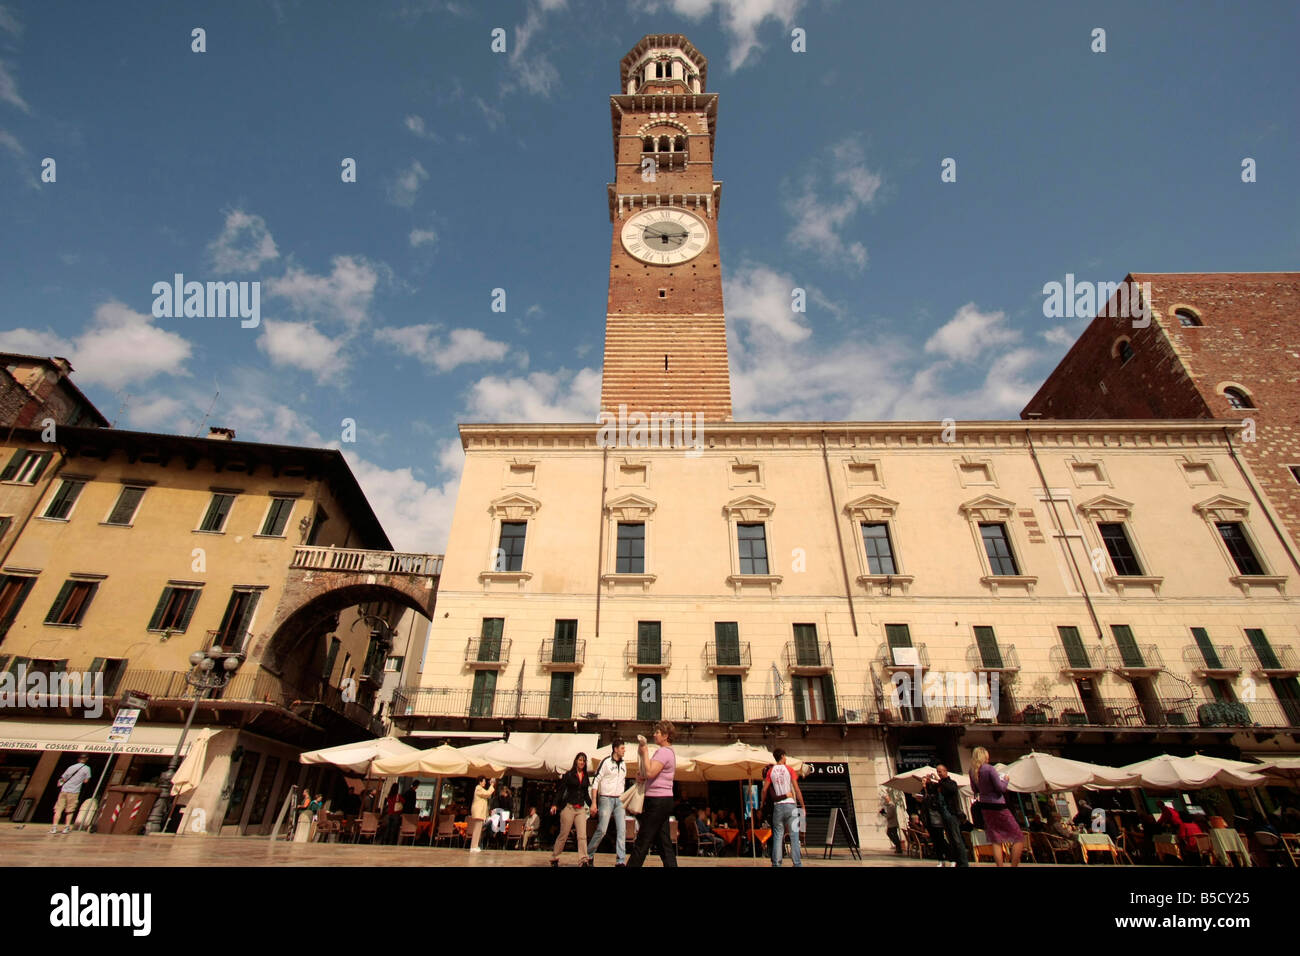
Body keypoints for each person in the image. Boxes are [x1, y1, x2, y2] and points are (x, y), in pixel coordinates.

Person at [627, 720, 678, 868]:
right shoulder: (669, 752)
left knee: (642, 842)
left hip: (657, 801)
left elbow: (650, 772)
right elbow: (651, 773)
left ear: (666, 735)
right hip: (664, 799)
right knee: (664, 843)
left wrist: (645, 752)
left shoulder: (663, 752)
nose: (654, 734)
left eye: (657, 732)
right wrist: (642, 775)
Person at [970, 747, 1024, 866]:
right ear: (985, 756)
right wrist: (1005, 780)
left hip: (985, 806)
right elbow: (1000, 788)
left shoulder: (972, 771)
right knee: (1018, 837)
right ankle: (1013, 865)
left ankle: (999, 866)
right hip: (997, 804)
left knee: (995, 838)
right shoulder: (989, 769)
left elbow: (975, 789)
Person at [761, 748, 805, 867]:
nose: (786, 758)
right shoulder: (790, 769)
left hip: (778, 807)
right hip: (791, 805)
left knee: (778, 836)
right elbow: (796, 789)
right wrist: (802, 805)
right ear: (783, 756)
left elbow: (765, 790)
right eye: (785, 756)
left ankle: (776, 863)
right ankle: (797, 863)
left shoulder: (771, 771)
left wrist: (762, 803)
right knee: (794, 835)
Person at [586, 739, 628, 866]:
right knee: (602, 830)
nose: (624, 750)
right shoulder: (605, 762)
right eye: (622, 748)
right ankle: (588, 854)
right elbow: (596, 782)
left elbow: (622, 782)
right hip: (606, 798)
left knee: (622, 830)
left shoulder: (624, 764)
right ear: (615, 749)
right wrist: (594, 802)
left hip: (620, 800)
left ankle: (620, 860)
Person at [550, 753, 592, 866]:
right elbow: (561, 790)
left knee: (582, 836)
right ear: (576, 761)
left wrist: (593, 805)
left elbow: (586, 794)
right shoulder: (569, 775)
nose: (582, 762)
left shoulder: (585, 776)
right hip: (569, 808)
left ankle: (583, 860)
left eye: (584, 761)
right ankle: (555, 857)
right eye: (580, 760)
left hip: (580, 809)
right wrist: (554, 804)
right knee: (564, 834)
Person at [931, 765, 969, 867]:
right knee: (951, 840)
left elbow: (951, 790)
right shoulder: (939, 786)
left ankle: (964, 863)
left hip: (952, 814)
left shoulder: (951, 783)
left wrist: (939, 781)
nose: (939, 773)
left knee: (957, 839)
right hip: (943, 815)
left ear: (946, 771)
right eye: (937, 771)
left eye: (940, 771)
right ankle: (957, 861)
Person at [52, 755, 92, 834]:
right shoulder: (87, 768)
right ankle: (66, 828)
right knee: (70, 811)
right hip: (74, 791)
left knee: (58, 810)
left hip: (64, 790)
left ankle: (54, 828)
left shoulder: (71, 767)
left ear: (78, 759)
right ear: (86, 759)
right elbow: (86, 781)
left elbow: (63, 778)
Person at [468, 777, 495, 853]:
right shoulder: (478, 788)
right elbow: (487, 794)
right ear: (480, 782)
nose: (485, 783)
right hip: (478, 811)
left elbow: (487, 794)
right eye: (484, 781)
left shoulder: (480, 788)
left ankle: (475, 845)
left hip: (480, 812)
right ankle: (473, 846)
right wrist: (492, 785)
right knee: (477, 829)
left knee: (479, 829)